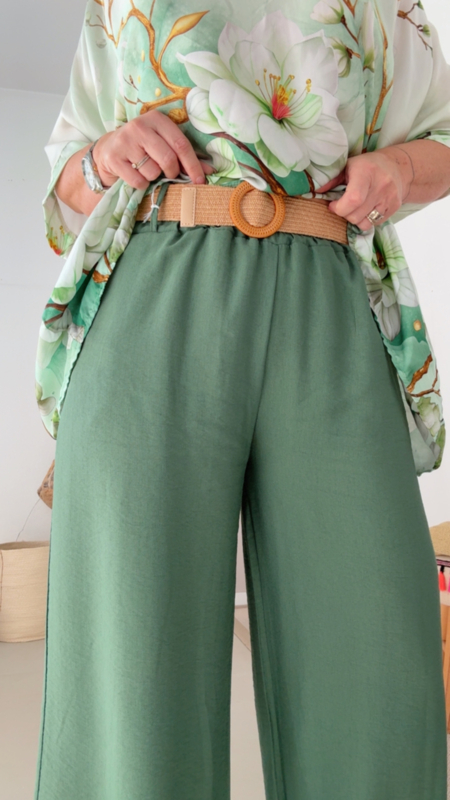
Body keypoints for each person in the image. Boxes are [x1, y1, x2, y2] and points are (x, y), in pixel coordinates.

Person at [34, 1, 450, 798]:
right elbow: (69, 173)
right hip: (154, 288)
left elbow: (443, 135)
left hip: (330, 290)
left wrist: (398, 168)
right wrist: (103, 158)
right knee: (132, 671)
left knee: (377, 660)